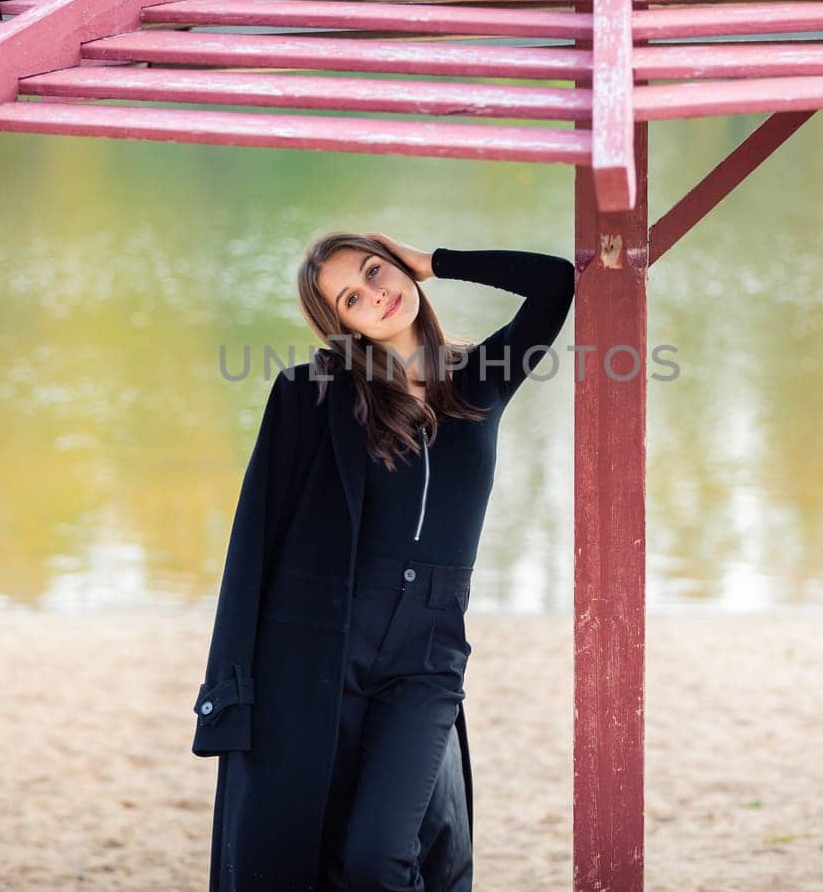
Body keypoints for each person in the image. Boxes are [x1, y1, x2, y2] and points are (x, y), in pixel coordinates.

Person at [194, 232, 575, 891]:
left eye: (375, 272)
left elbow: (556, 282)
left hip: (426, 657)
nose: (377, 294)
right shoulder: (317, 396)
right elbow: (255, 540)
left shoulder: (482, 378)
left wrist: (437, 261)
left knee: (381, 855)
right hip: (327, 644)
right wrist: (230, 686)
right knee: (313, 845)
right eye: (353, 297)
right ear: (343, 325)